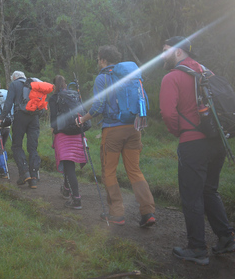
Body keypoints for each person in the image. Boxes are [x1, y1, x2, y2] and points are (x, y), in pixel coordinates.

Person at [159, 36, 235, 265]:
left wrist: (180, 133)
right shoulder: (207, 73)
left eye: (165, 50)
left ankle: (197, 248)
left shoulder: (171, 77)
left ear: (179, 52)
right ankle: (226, 238)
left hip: (193, 144)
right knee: (209, 190)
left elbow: (168, 113)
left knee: (191, 195)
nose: (162, 55)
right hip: (218, 141)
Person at [76, 45, 156, 226]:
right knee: (134, 171)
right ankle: (148, 211)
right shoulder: (130, 76)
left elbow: (98, 107)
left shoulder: (103, 77)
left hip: (113, 130)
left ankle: (117, 214)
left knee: (109, 172)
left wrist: (83, 119)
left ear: (103, 59)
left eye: (98, 59)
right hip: (134, 128)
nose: (98, 62)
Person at [0, 71, 41, 189]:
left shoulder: (14, 85)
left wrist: (1, 118)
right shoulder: (34, 83)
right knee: (32, 147)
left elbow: (8, 103)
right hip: (34, 117)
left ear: (14, 77)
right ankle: (34, 177)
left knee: (16, 146)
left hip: (20, 116)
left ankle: (24, 173)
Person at [49, 75, 86, 209]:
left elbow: (53, 119)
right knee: (69, 164)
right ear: (65, 84)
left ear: (54, 85)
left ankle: (76, 199)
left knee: (68, 166)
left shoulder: (53, 98)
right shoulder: (74, 95)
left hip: (63, 135)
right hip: (77, 132)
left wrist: (53, 132)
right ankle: (66, 189)